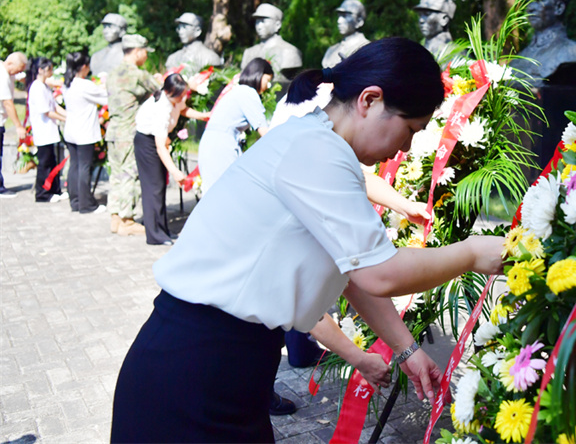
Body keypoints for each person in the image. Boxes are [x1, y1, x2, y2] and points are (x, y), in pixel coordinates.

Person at [111, 37, 504, 443]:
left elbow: (349, 271)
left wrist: (405, 348)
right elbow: (377, 273)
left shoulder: (318, 141)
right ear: (369, 100)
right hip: (194, 370)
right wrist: (472, 252)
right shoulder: (316, 148)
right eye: (409, 129)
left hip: (220, 365)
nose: (404, 147)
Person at [133, 74, 208, 246]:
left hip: (157, 142)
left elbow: (183, 109)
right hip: (147, 144)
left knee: (159, 187)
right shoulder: (161, 108)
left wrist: (204, 115)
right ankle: (154, 235)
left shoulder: (175, 95)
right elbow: (160, 146)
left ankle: (162, 229)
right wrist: (175, 171)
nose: (183, 98)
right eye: (180, 95)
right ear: (168, 92)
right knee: (153, 189)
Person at [105, 34, 161, 236]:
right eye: (145, 52)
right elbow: (161, 92)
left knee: (116, 175)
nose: (146, 56)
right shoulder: (138, 74)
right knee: (129, 175)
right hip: (128, 133)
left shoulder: (112, 73)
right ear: (137, 51)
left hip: (112, 132)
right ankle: (127, 220)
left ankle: (115, 217)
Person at [197, 58, 273, 194]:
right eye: (267, 80)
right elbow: (264, 131)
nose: (268, 86)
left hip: (210, 142)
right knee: (226, 193)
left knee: (214, 195)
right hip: (221, 146)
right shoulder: (248, 93)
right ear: (259, 75)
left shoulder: (237, 91)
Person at [509, 0, 576, 89]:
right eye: (529, 1)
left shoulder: (573, 54)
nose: (530, 7)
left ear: (559, 8)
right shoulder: (518, 60)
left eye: (538, 0)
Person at [64, 51, 109, 214]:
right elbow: (106, 97)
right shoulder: (85, 85)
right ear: (84, 67)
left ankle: (75, 201)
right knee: (84, 167)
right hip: (84, 132)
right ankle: (86, 204)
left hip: (71, 131)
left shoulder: (67, 83)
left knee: (74, 166)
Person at [26, 57, 67, 203]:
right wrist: (65, 119)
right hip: (43, 131)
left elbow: (54, 106)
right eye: (49, 69)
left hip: (50, 130)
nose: (51, 71)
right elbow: (46, 111)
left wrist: (69, 115)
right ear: (40, 70)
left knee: (53, 162)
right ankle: (43, 193)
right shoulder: (36, 87)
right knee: (45, 164)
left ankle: (55, 189)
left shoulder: (45, 86)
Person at [241, 3, 302, 91]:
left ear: (278, 25)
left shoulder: (289, 52)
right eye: (257, 21)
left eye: (263, 21)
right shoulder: (249, 52)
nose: (259, 26)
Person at [1, 52, 30, 198]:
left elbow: (21, 77)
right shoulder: (2, 75)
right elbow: (7, 103)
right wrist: (18, 126)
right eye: (19, 68)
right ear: (11, 63)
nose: (20, 72)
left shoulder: (7, 71)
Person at [321, 0, 371, 68]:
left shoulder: (368, 49)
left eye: (345, 16)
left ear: (359, 21)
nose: (339, 21)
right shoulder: (331, 51)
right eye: (339, 15)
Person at [413, 0, 456, 64]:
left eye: (427, 14)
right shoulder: (418, 51)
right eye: (420, 15)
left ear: (444, 19)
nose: (421, 20)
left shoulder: (456, 55)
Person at [90, 13, 128, 78]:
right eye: (105, 27)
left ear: (122, 31)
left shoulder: (127, 54)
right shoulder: (96, 56)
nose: (105, 31)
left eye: (111, 27)